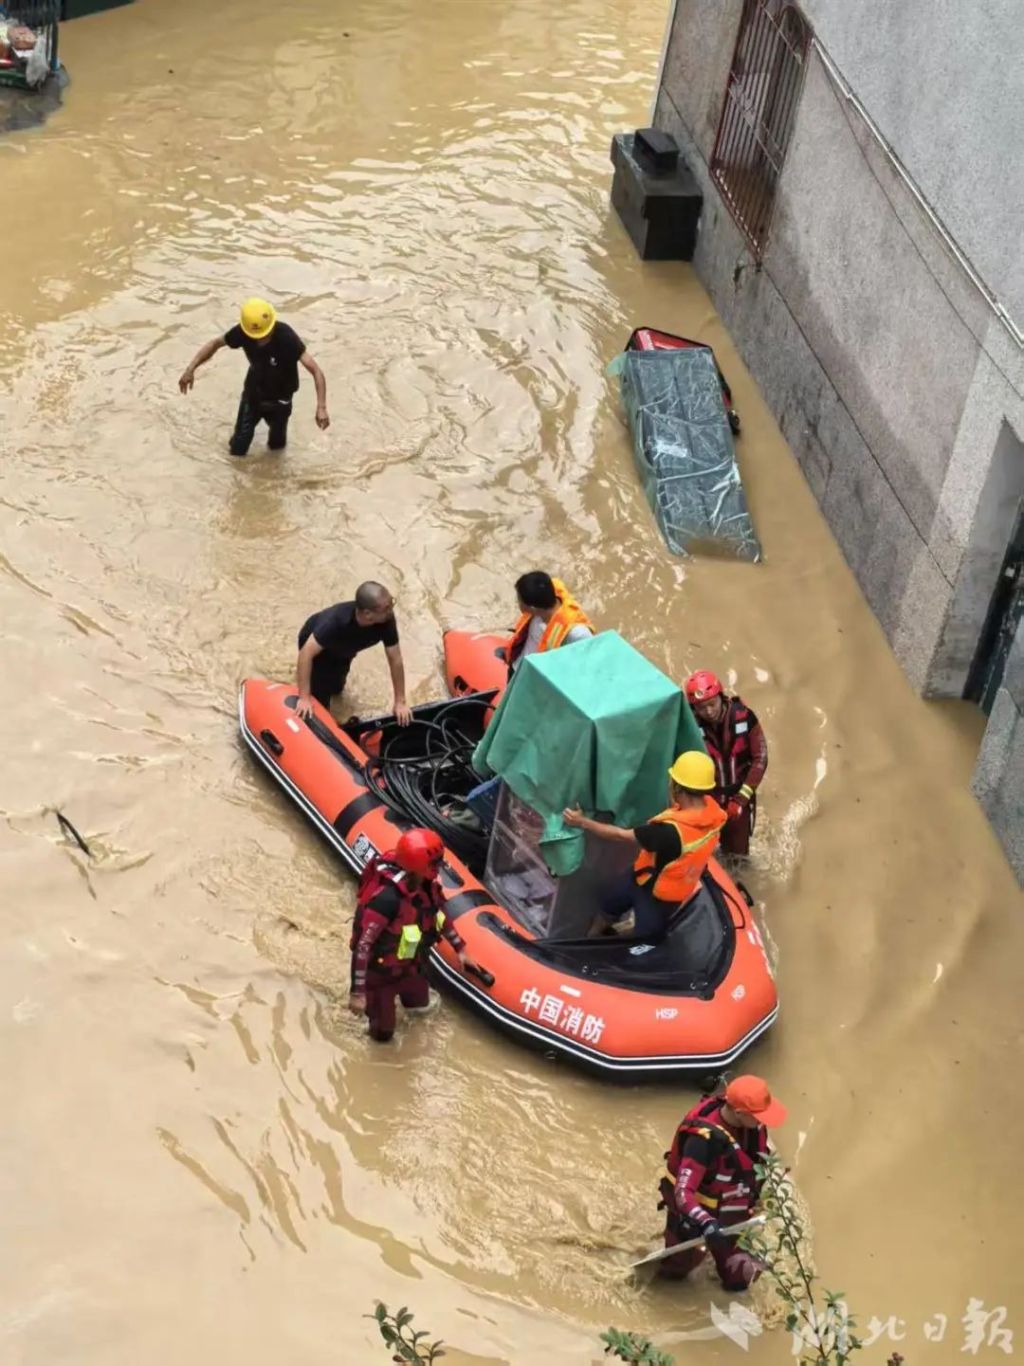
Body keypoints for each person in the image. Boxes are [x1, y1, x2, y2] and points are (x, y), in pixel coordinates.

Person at [563, 752, 727, 940]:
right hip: (663, 885)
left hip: (656, 898)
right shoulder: (714, 818)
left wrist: (582, 821)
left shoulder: (668, 832)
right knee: (610, 901)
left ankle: (601, 943)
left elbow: (619, 835)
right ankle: (594, 937)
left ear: (678, 787)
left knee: (643, 940)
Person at [349, 828, 479, 1042]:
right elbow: (363, 946)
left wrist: (461, 950)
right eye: (434, 864)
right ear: (420, 866)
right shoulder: (386, 900)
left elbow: (439, 916)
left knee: (422, 1009)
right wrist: (357, 993)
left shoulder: (428, 888)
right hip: (380, 974)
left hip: (410, 967)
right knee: (382, 1036)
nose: (438, 869)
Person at [657, 1075, 786, 1291]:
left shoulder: (752, 1126)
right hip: (695, 1216)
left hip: (732, 1213)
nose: (763, 1121)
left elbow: (758, 1164)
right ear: (739, 1113)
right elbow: (683, 1193)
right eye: (759, 1116)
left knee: (739, 1278)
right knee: (676, 1273)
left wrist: (758, 1200)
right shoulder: (702, 1142)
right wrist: (706, 1221)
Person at [178, 297, 330, 456]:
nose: (262, 338)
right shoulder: (243, 332)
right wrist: (191, 369)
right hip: (253, 395)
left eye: (266, 334)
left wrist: (321, 407)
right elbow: (215, 344)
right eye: (258, 336)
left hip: (281, 400)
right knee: (238, 448)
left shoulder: (286, 337)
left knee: (276, 448)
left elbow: (316, 370)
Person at [295, 581, 411, 724]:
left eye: (391, 603)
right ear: (368, 614)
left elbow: (395, 659)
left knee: (337, 688)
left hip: (345, 650)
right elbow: (306, 653)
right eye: (387, 607)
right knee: (320, 698)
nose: (391, 610)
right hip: (319, 650)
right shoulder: (335, 622)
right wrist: (304, 697)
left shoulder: (386, 620)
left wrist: (400, 701)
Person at [685, 671, 768, 857]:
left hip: (737, 799)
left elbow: (760, 758)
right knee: (700, 851)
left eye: (712, 704)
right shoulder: (689, 726)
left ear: (722, 697)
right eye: (701, 708)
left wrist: (741, 800)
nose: (708, 711)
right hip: (706, 801)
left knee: (738, 854)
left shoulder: (745, 718)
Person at [502, 571, 593, 674]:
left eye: (519, 601)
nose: (518, 603)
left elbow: (587, 665)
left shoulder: (576, 633)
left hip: (537, 679)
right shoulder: (540, 605)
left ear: (532, 608)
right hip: (518, 667)